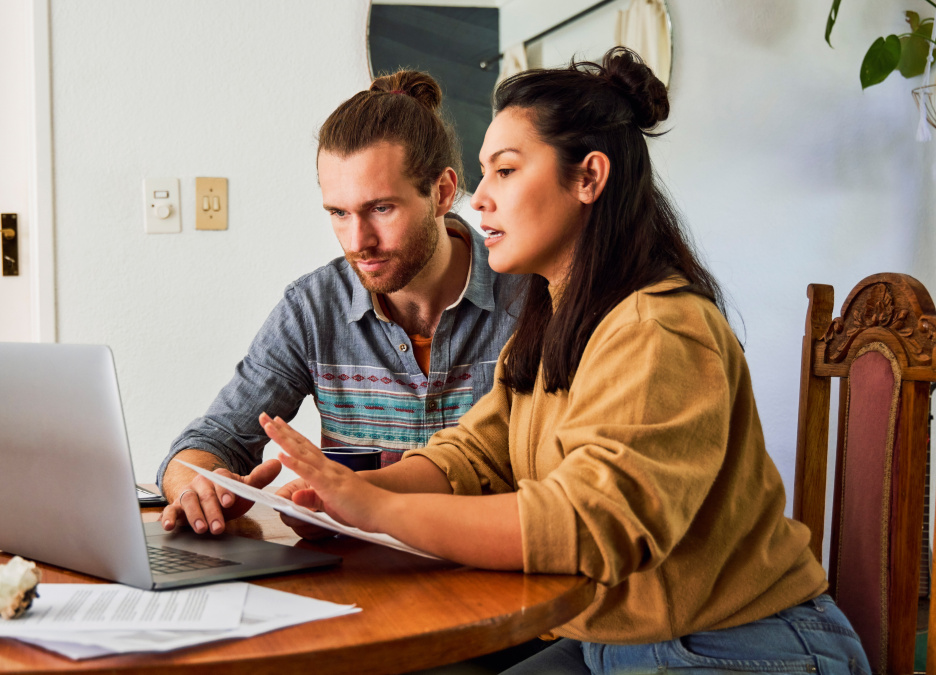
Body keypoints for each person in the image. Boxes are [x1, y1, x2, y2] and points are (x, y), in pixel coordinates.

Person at [254, 48, 871, 674]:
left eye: (505, 171)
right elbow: (475, 454)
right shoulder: (556, 320)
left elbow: (589, 523)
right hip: (611, 641)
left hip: (738, 644)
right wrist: (346, 493)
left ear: (588, 178)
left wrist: (380, 511)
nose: (479, 199)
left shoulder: (659, 328)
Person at [157, 70, 525, 537]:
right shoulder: (312, 309)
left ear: (442, 193)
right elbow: (211, 440)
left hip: (499, 577)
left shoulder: (532, 297)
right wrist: (200, 485)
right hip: (359, 584)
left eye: (381, 209)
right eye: (339, 213)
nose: (359, 242)